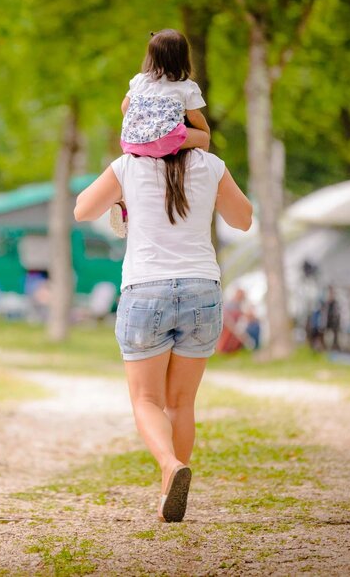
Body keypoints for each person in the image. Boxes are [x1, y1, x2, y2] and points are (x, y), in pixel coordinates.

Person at [74, 142, 253, 523]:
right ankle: (166, 494)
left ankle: (171, 465)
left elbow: (82, 209)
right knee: (181, 403)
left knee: (146, 400)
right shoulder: (210, 165)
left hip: (146, 291)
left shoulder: (128, 166)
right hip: (201, 289)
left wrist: (120, 196)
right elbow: (243, 219)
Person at [110, 29, 212, 237]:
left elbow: (124, 107)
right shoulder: (186, 87)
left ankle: (124, 204)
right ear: (183, 58)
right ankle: (196, 177)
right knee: (203, 138)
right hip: (165, 140)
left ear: (151, 57)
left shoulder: (139, 80)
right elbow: (194, 117)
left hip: (132, 141)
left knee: (133, 166)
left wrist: (141, 128)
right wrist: (205, 130)